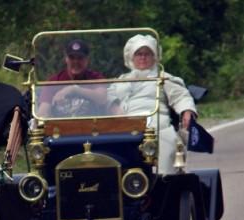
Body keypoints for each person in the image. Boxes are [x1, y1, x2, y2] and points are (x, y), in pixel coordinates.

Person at [106, 35, 197, 175]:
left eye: (147, 54)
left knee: (168, 142)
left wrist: (187, 111)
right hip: (125, 126)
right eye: (138, 54)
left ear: (154, 56)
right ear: (131, 57)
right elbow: (108, 97)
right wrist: (114, 107)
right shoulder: (121, 80)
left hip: (157, 126)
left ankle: (165, 182)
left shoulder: (163, 78)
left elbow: (181, 96)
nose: (143, 57)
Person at [36, 39, 107, 118]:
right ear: (66, 59)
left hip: (92, 127)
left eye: (80, 58)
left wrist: (73, 90)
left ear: (87, 60)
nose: (76, 62)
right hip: (61, 128)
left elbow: (102, 98)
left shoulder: (95, 78)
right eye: (72, 58)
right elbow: (43, 111)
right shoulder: (54, 81)